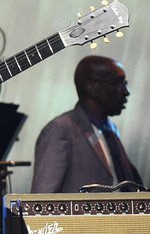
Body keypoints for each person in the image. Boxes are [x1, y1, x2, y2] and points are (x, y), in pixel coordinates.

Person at [30, 55, 142, 192]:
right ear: (92, 88)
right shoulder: (61, 129)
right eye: (118, 83)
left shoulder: (110, 129)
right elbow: (42, 196)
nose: (126, 92)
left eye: (125, 84)